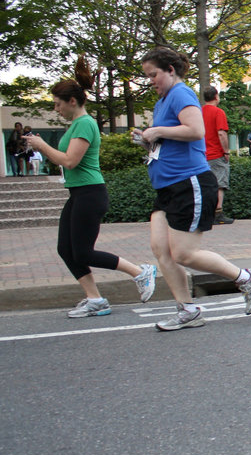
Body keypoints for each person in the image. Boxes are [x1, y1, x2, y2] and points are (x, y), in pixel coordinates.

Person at [135, 47, 251, 331]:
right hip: (167, 186)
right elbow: (171, 138)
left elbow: (195, 131)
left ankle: (245, 277)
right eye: (147, 76)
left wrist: (156, 131)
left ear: (170, 70)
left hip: (188, 183)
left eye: (153, 74)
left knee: (183, 254)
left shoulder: (181, 93)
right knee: (161, 251)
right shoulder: (162, 101)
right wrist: (148, 140)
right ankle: (188, 310)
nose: (151, 80)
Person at [22, 55, 158, 318]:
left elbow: (70, 161)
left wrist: (41, 146)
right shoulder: (76, 124)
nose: (56, 109)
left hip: (90, 193)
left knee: (83, 252)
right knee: (66, 249)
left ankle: (140, 271)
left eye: (58, 104)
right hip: (78, 194)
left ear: (72, 101)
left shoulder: (85, 123)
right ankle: (95, 299)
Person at [201, 86, 234, 224]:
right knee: (219, 184)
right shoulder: (218, 112)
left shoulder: (198, 112)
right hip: (216, 154)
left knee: (205, 185)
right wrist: (226, 151)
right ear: (216, 97)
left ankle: (205, 213)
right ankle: (218, 213)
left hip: (201, 155)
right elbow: (221, 133)